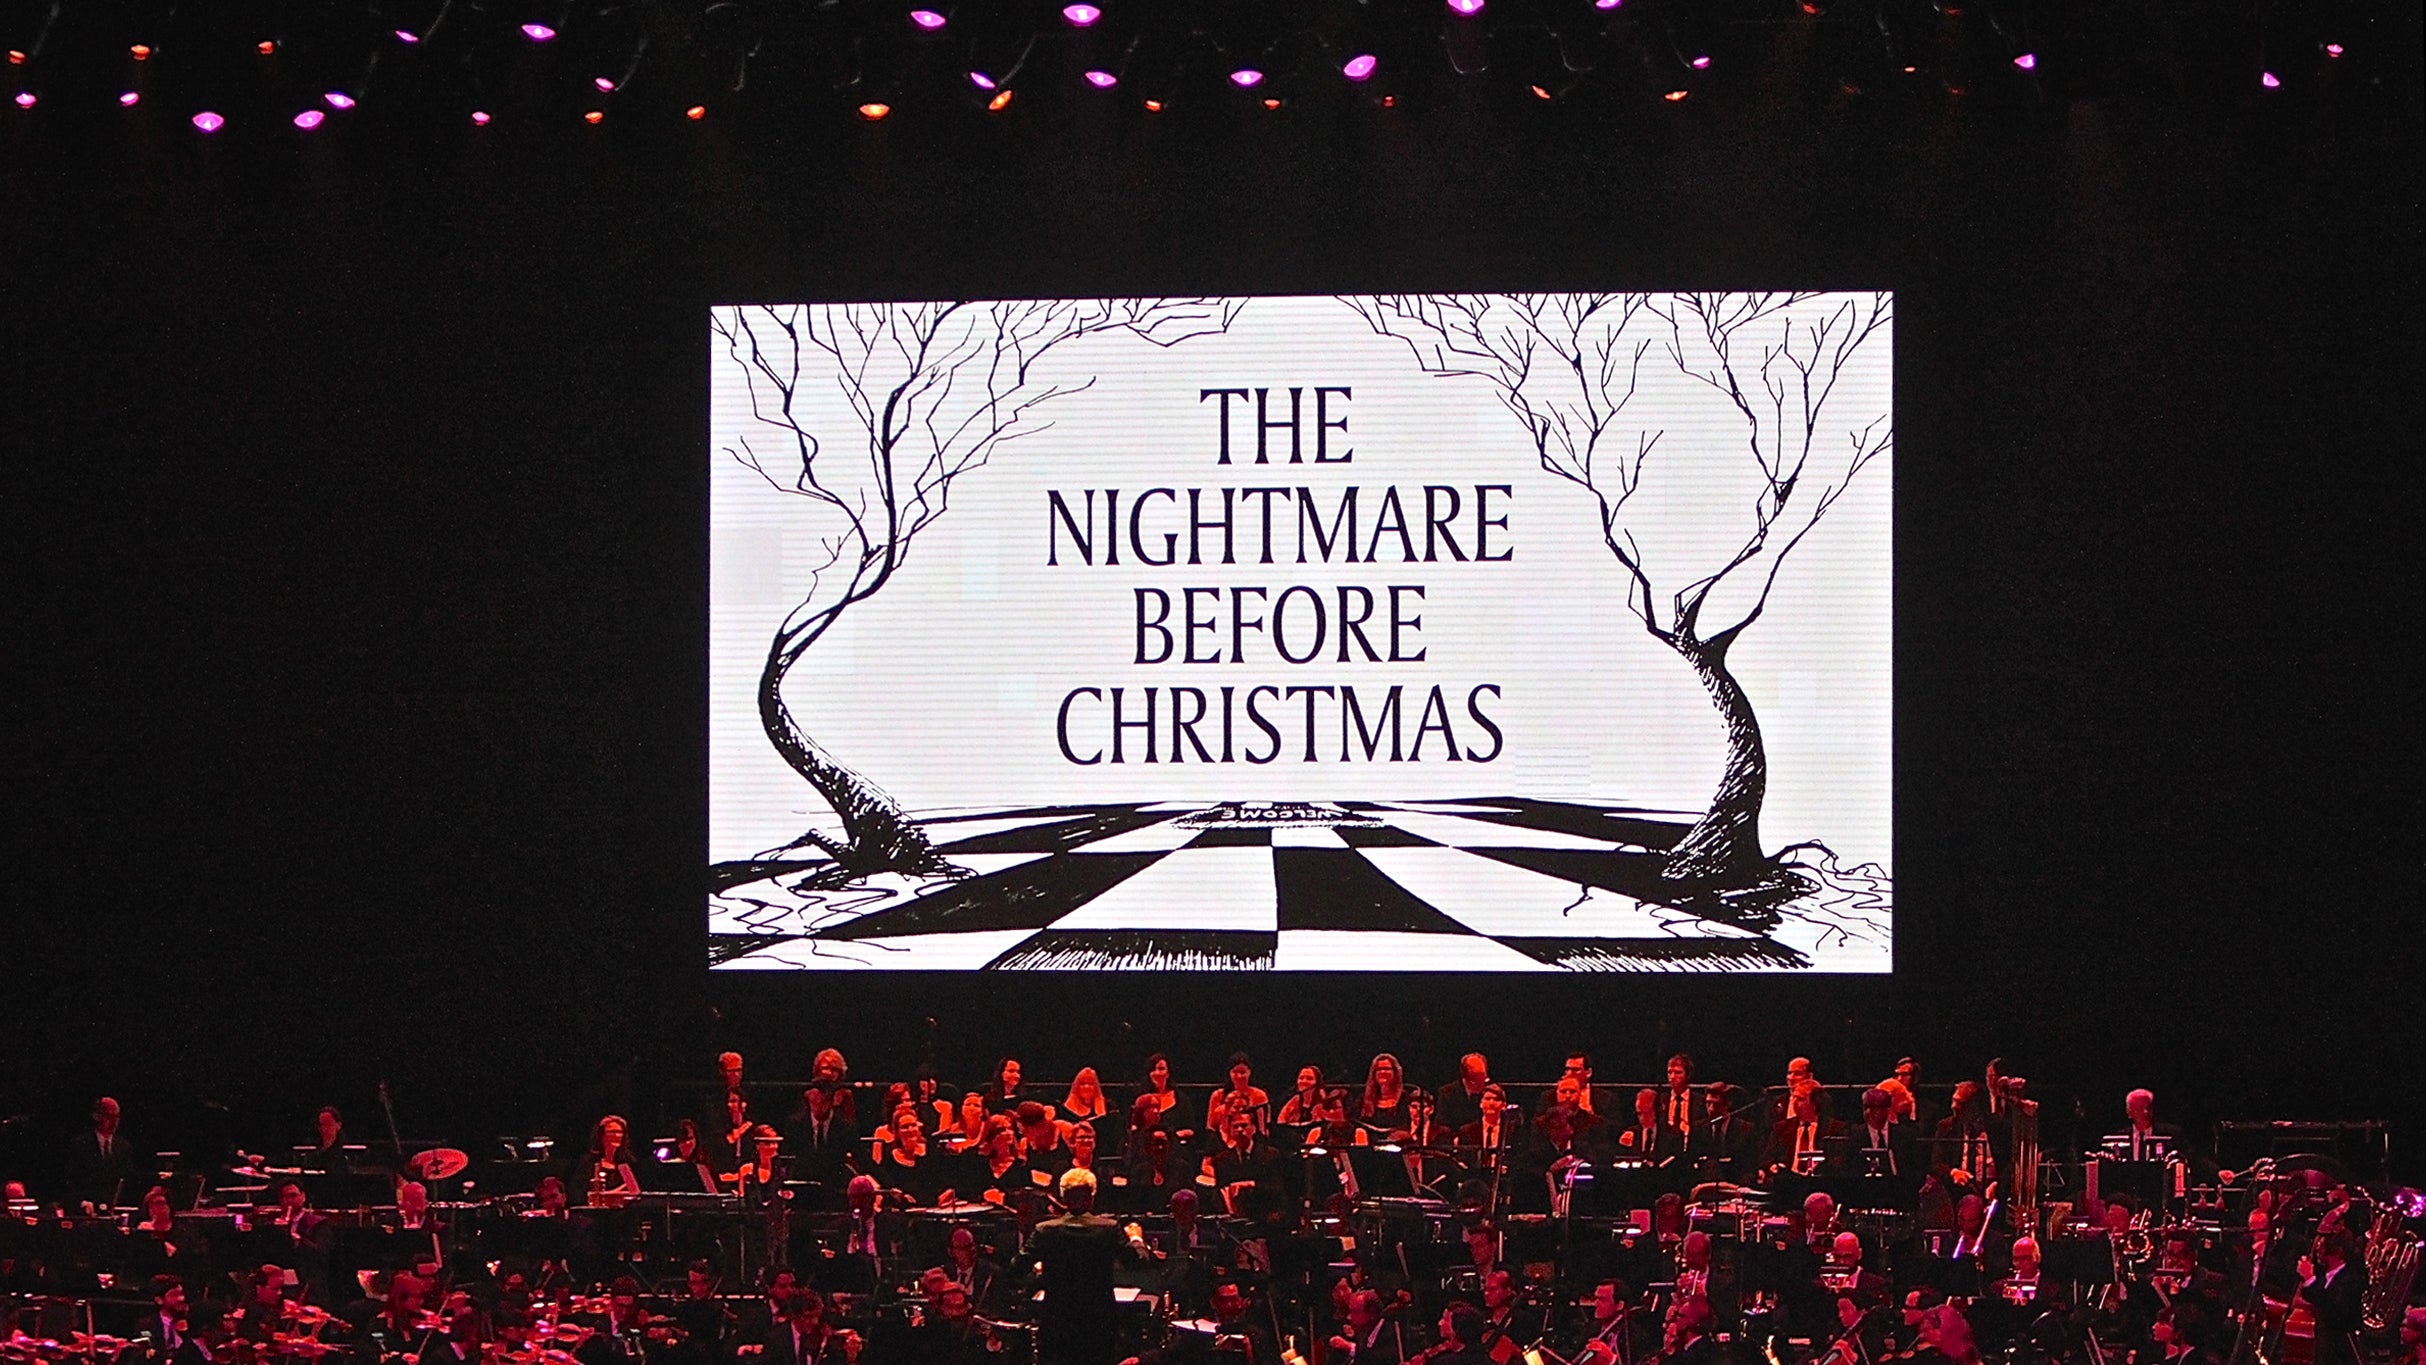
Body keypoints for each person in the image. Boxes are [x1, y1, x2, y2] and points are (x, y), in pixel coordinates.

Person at [1030, 1168, 1134, 1365]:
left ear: (1063, 1198)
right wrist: (1136, 1238)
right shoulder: (1109, 1229)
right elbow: (1135, 1262)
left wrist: (1039, 1273)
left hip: (1057, 1325)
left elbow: (1016, 1267)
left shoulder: (1045, 1230)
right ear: (1092, 1197)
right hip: (1098, 1324)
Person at [2293, 1227, 2367, 1365]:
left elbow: (2333, 1309)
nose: (2318, 1252)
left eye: (2322, 1249)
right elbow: (2312, 1295)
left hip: (2340, 1352)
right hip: (2324, 1348)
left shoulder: (2351, 1278)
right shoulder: (2325, 1275)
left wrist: (2309, 1278)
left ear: (2338, 1252)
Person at [67, 1096, 140, 1208]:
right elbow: (71, 1181)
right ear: (96, 1116)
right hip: (88, 1209)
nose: (114, 1122)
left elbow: (129, 1180)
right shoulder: (80, 1145)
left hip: (114, 1208)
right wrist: (82, 1202)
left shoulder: (124, 1147)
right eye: (109, 1116)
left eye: (117, 1117)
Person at [1330, 1288, 1406, 1365]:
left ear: (1371, 1313)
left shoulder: (1390, 1330)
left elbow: (1380, 1359)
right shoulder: (1362, 1331)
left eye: (1355, 1312)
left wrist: (1350, 1347)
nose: (1350, 1317)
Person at [1136, 1054, 1195, 1139]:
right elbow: (1133, 1128)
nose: (1157, 1073)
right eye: (1152, 1069)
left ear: (1168, 1073)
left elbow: (1190, 1129)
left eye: (1161, 1069)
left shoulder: (1182, 1099)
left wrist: (1171, 1136)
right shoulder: (1140, 1099)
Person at [587, 1115, 642, 1204]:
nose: (617, 1135)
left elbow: (634, 1190)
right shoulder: (590, 1161)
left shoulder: (627, 1162)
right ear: (602, 1135)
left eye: (620, 1132)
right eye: (612, 1132)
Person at [1437, 1054, 1493, 1132]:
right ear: (1465, 1076)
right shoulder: (1447, 1093)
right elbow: (1442, 1125)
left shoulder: (1490, 1093)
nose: (1481, 1081)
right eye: (1476, 1077)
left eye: (1483, 1076)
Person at [1218, 1053, 1271, 1135]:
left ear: (1249, 1072)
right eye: (1235, 1072)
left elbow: (1263, 1128)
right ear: (1229, 1073)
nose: (1239, 1076)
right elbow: (1211, 1127)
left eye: (1242, 1072)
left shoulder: (1260, 1095)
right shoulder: (1218, 1095)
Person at [1431, 1303, 1495, 1364]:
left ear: (1457, 1328)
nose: (1440, 1323)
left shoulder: (1446, 1362)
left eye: (1445, 1319)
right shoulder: (1483, 1357)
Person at [1360, 1054, 1411, 1132]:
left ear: (1395, 1072)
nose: (1382, 1072)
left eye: (1387, 1069)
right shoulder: (1363, 1099)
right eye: (1379, 1069)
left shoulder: (1406, 1098)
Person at [301, 1107, 349, 1173]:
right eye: (323, 1125)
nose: (325, 1128)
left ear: (338, 1125)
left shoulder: (345, 1151)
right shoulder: (312, 1153)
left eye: (329, 1124)